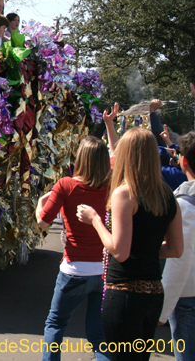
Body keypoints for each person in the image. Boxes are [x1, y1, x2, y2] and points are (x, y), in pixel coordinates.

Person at [78, 127, 184, 361]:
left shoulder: (125, 194)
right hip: (154, 293)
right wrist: (146, 249)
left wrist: (95, 220)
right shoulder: (168, 196)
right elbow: (176, 249)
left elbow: (120, 251)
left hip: (124, 293)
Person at [36, 136, 111, 361]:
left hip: (74, 269)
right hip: (103, 271)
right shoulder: (111, 188)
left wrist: (39, 203)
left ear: (81, 158)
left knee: (55, 324)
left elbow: (43, 222)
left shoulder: (66, 185)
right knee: (98, 334)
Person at [160, 131, 195, 361]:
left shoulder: (184, 203)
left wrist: (162, 309)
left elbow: (179, 260)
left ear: (184, 160)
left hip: (188, 296)